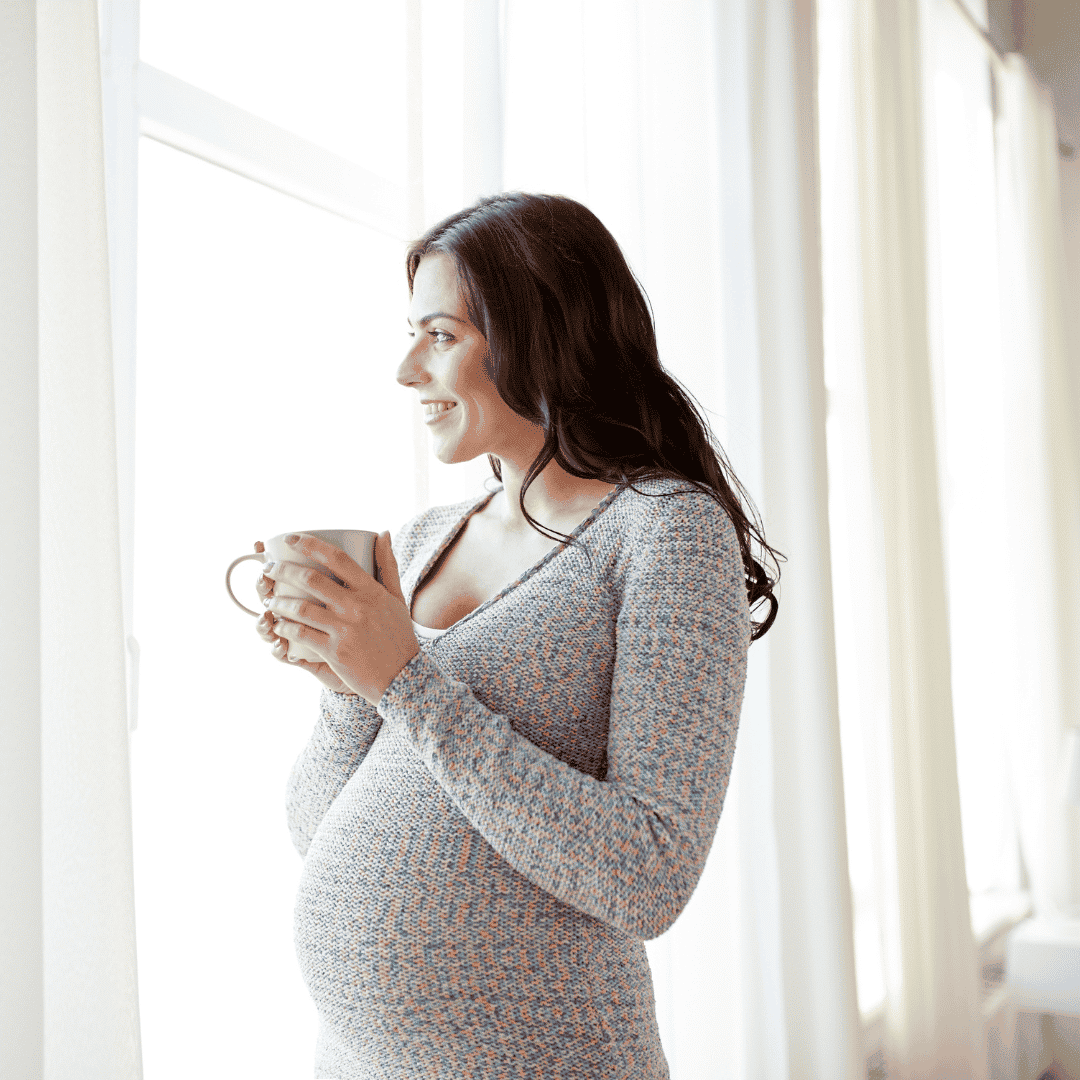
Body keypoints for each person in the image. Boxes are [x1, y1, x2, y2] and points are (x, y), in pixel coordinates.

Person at [253, 192, 782, 1079]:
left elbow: (648, 875)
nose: (405, 370)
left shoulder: (664, 530)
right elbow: (319, 832)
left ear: (542, 332)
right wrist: (346, 687)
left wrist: (406, 683)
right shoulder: (423, 539)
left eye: (441, 335)